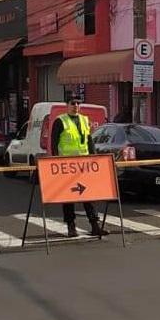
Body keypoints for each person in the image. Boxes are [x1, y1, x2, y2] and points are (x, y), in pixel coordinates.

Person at [50, 98, 108, 238]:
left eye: (78, 103)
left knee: (88, 195)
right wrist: (57, 162)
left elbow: (89, 141)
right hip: (67, 165)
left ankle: (95, 225)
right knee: (68, 197)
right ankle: (71, 226)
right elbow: (54, 143)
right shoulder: (60, 121)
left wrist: (94, 158)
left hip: (83, 165)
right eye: (73, 103)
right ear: (67, 105)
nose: (76, 105)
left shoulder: (83, 119)